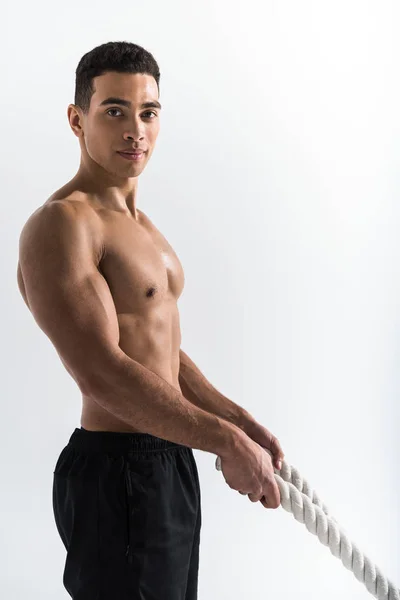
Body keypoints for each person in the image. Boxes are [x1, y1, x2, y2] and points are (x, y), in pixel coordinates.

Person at [16, 41, 285, 599]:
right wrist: (225, 443)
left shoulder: (141, 227)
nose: (134, 129)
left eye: (148, 112)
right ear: (77, 118)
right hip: (117, 472)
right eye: (114, 111)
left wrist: (237, 422)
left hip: (168, 460)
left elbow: (159, 353)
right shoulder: (63, 225)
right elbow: (103, 372)